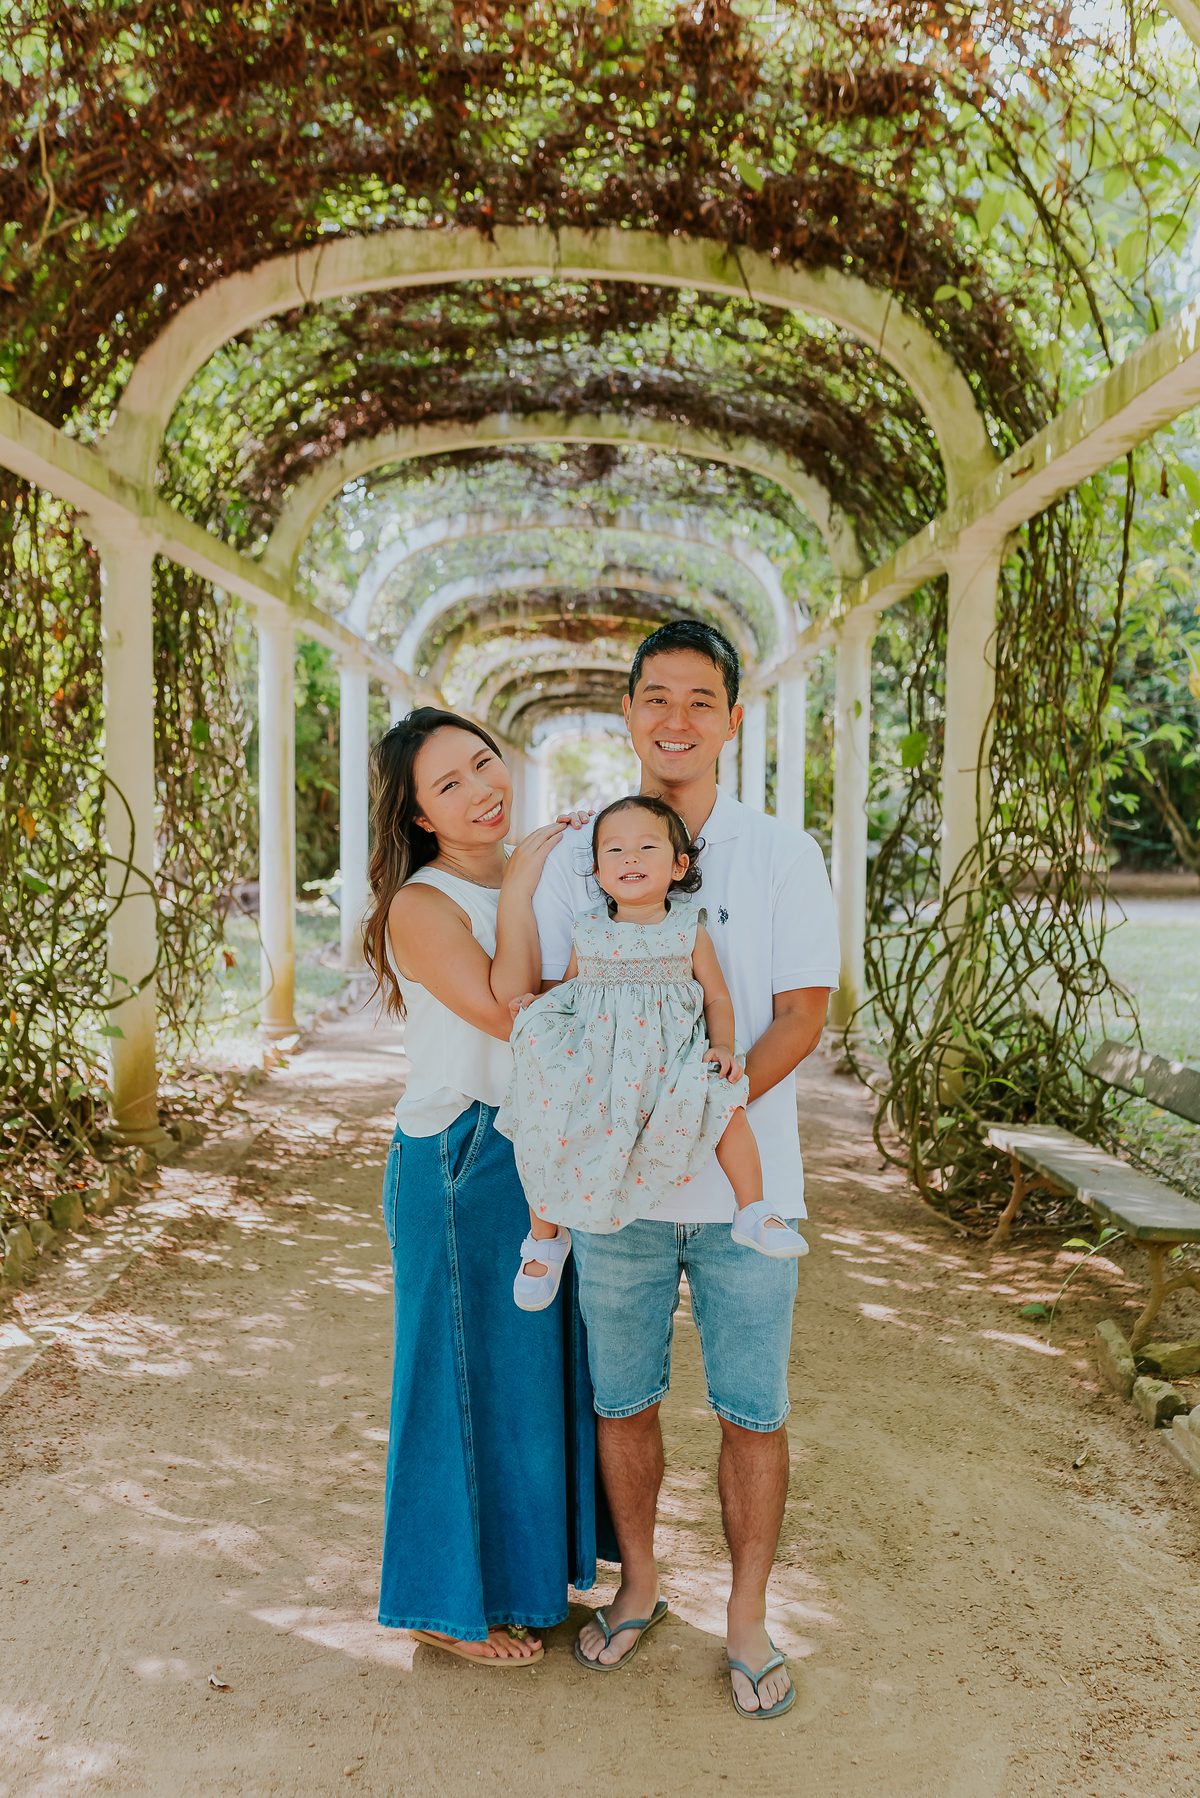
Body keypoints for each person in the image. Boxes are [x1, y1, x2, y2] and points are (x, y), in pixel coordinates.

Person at [531, 620, 839, 1717]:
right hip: (614, 1188)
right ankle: (639, 1586)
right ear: (627, 714)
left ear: (732, 719)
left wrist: (697, 1115)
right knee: (625, 1398)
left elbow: (801, 1012)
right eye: (654, 697)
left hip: (747, 1185)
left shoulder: (780, 851)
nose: (675, 719)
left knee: (752, 1408)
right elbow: (543, 995)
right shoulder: (581, 850)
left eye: (700, 700)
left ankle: (749, 1617)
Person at [361, 706, 613, 1665]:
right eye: (449, 786)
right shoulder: (421, 908)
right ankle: (436, 1601)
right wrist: (620, 988)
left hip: (540, 1151)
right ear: (421, 815)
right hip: (461, 1154)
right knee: (451, 1375)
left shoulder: (536, 872)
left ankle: (516, 1582)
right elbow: (517, 1018)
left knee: (525, 1372)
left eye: (482, 764)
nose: (479, 791)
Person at [497, 794, 808, 1317]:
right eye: (614, 850)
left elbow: (716, 997)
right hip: (600, 1059)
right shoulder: (589, 927)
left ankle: (752, 1208)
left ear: (679, 864)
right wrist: (539, 1008)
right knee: (546, 1111)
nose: (631, 859)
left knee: (723, 1096)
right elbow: (573, 989)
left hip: (671, 1059)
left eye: (646, 847)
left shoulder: (688, 929)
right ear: (597, 870)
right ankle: (545, 1237)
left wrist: (724, 1047)